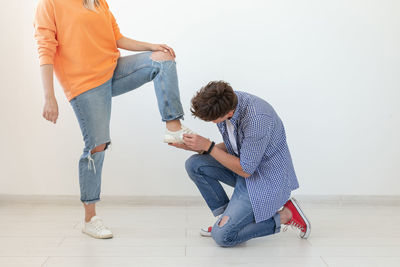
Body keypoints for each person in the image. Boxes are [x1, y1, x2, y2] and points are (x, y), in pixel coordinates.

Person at [34, 0, 193, 239]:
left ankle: (173, 127)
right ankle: (90, 218)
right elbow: (45, 49)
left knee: (161, 59)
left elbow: (117, 38)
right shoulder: (50, 3)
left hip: (112, 70)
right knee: (97, 147)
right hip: (84, 84)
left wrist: (151, 46)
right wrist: (49, 97)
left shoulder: (98, 2)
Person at [170, 81, 311, 247]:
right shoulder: (227, 100)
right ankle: (226, 219)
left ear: (229, 112)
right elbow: (234, 147)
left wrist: (208, 146)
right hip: (245, 168)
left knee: (223, 237)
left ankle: (286, 215)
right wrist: (196, 148)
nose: (213, 122)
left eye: (213, 120)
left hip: (264, 180)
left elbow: (246, 170)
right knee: (195, 164)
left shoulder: (257, 120)